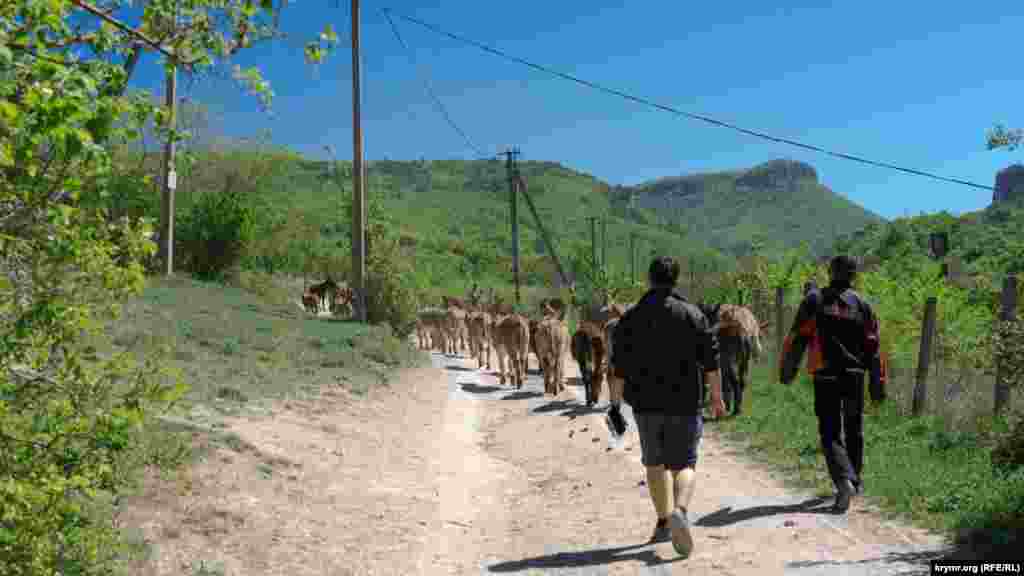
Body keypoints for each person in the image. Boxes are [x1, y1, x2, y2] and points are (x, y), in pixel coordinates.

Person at [611, 256, 726, 558]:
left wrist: (614, 403)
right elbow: (711, 362)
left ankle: (663, 521)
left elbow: (618, 366)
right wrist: (717, 397)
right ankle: (680, 510)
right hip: (685, 402)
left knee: (654, 463)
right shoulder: (694, 315)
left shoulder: (631, 317)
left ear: (649, 279)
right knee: (685, 464)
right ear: (676, 280)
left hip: (645, 404)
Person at [780, 255, 883, 513]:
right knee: (854, 428)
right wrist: (877, 384)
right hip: (855, 375)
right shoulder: (863, 305)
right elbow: (874, 347)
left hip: (825, 375)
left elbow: (797, 338)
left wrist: (788, 370)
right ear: (853, 275)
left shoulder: (814, 300)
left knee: (829, 432)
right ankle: (854, 481)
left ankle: (843, 481)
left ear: (830, 273)